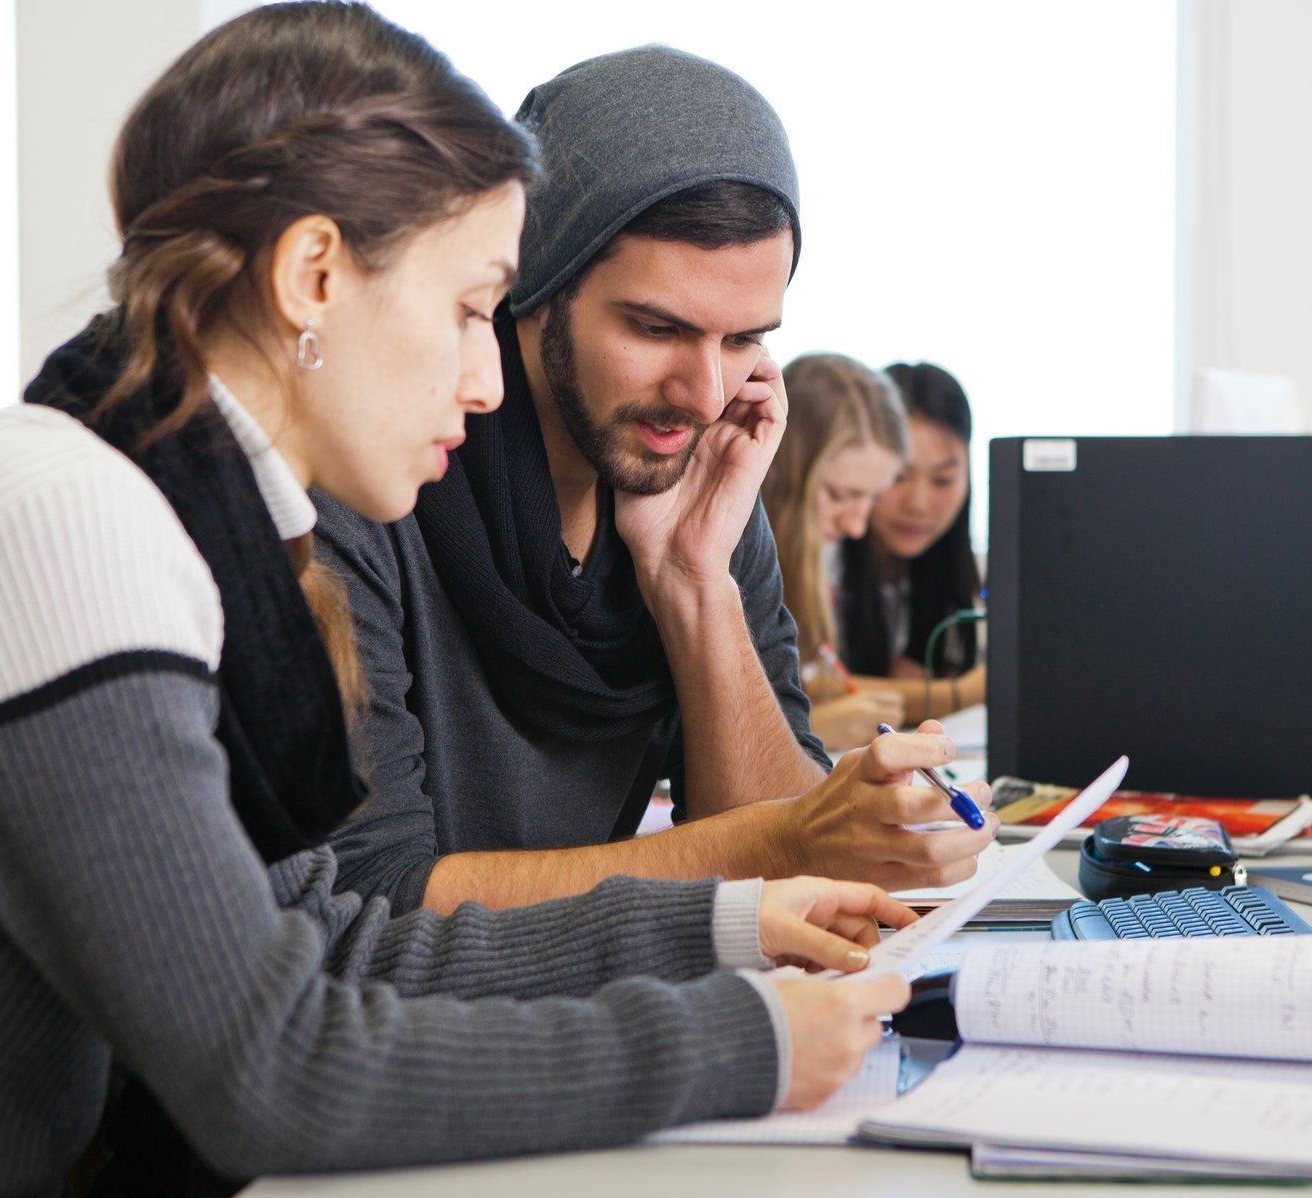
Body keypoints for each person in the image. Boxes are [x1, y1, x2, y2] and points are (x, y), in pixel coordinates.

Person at [0, 7, 917, 1193]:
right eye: (468, 309)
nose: (485, 372)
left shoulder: (175, 514)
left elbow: (335, 947)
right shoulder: (62, 531)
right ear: (312, 277)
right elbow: (275, 1069)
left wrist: (725, 925)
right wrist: (742, 1043)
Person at [316, 45, 995, 916]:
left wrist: (693, 585)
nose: (705, 394)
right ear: (536, 278)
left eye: (745, 339)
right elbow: (371, 902)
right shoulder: (365, 484)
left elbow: (801, 876)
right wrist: (776, 841)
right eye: (655, 327)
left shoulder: (693, 479)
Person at [759, 353, 913, 750]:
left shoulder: (824, 557)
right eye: (840, 496)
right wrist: (815, 726)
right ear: (779, 472)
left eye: (873, 498)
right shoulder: (727, 562)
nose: (857, 527)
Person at [835, 361, 987, 722]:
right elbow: (800, 686)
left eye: (943, 480)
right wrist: (963, 692)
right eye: (898, 476)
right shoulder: (822, 555)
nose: (918, 504)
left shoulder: (951, 572)